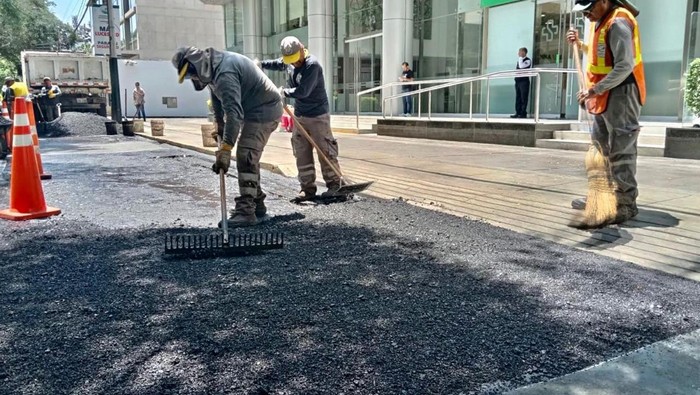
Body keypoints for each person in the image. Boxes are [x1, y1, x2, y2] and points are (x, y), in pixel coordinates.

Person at [172, 46, 283, 227]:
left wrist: (226, 148)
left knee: (245, 154)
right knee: (249, 157)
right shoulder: (213, 72)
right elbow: (218, 103)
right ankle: (257, 204)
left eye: (192, 74)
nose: (192, 78)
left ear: (199, 66)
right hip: (252, 108)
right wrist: (220, 128)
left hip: (265, 109)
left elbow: (233, 113)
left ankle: (246, 212)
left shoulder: (225, 72)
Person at [567, 0, 646, 224]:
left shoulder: (618, 22)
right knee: (600, 146)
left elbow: (624, 66)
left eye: (589, 9)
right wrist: (580, 44)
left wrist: (594, 90)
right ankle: (601, 197)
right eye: (583, 11)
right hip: (604, 92)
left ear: (603, 1)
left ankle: (625, 202)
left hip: (622, 91)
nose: (586, 14)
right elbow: (600, 52)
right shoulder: (602, 21)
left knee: (621, 147)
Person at [259, 36, 348, 202]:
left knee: (325, 151)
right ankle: (307, 189)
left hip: (317, 115)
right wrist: (260, 64)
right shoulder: (289, 62)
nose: (294, 63)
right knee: (301, 152)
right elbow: (278, 63)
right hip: (300, 116)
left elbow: (303, 91)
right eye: (290, 60)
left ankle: (336, 186)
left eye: (295, 59)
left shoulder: (312, 65)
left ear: (302, 49)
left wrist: (284, 92)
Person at [511, 47, 531, 119]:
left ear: (524, 52)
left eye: (520, 52)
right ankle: (518, 112)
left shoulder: (527, 60)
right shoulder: (519, 60)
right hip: (518, 81)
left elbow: (522, 66)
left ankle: (523, 113)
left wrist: (520, 58)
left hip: (524, 81)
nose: (518, 53)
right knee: (518, 97)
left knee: (523, 97)